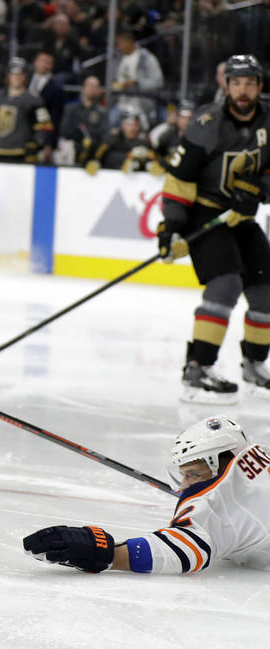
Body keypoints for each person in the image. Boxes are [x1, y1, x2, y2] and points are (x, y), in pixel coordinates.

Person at [157, 54, 270, 404]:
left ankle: (254, 363)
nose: (243, 90)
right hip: (206, 217)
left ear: (259, 87)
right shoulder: (207, 123)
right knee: (226, 284)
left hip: (242, 219)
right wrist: (171, 227)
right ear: (226, 85)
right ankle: (198, 367)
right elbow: (179, 180)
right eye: (237, 82)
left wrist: (257, 191)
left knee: (266, 290)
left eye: (250, 83)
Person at [24, 415, 270, 574]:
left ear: (220, 461)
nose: (183, 487)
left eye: (193, 474)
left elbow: (185, 550)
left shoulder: (226, 499)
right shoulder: (258, 459)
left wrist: (107, 552)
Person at [0, 57, 54, 163]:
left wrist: (36, 144)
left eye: (20, 74)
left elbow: (45, 126)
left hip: (20, 154)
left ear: (25, 76)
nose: (17, 77)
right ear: (8, 76)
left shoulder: (33, 100)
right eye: (14, 74)